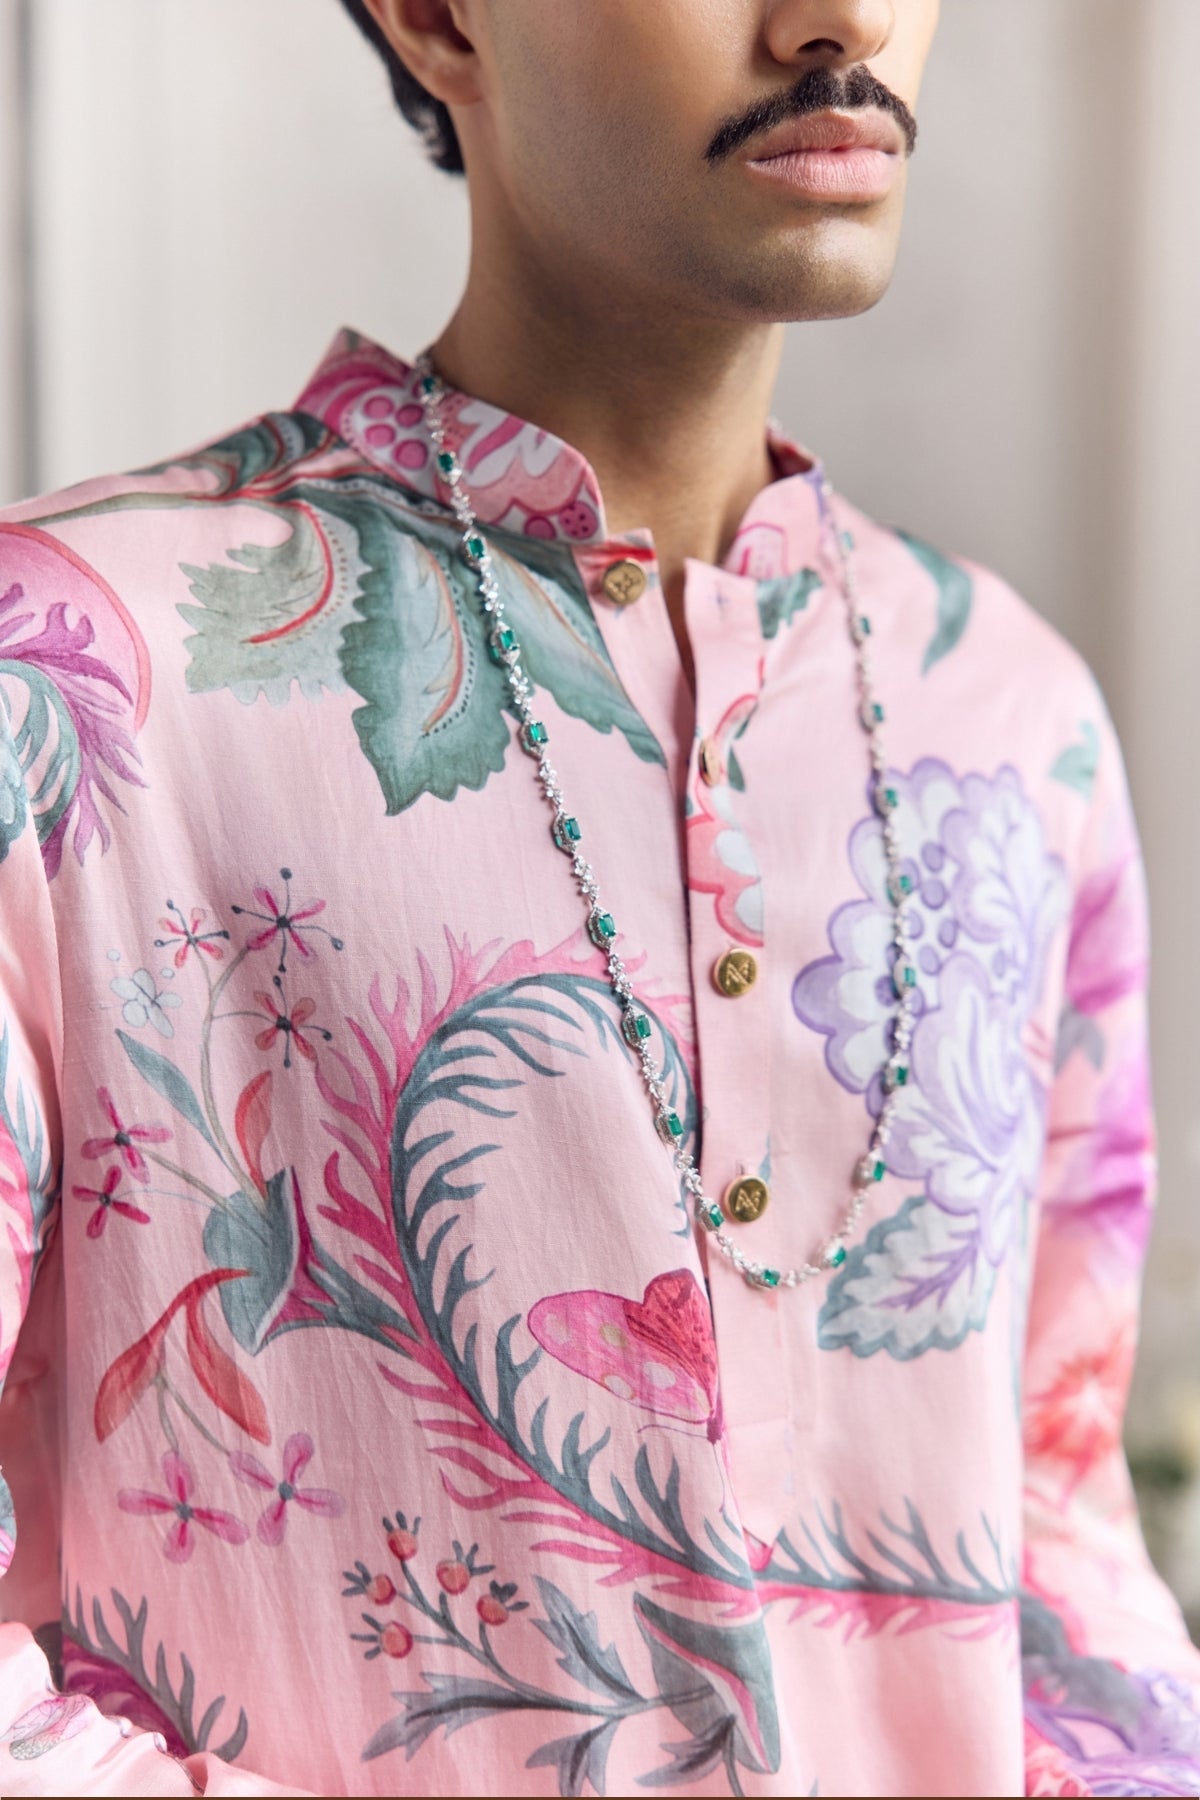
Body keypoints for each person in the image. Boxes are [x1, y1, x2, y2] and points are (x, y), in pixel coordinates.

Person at [1, 0, 1198, 1792]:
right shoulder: (72, 679)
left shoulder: (1014, 721)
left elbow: (1063, 1527)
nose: (849, 19)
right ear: (437, 16)